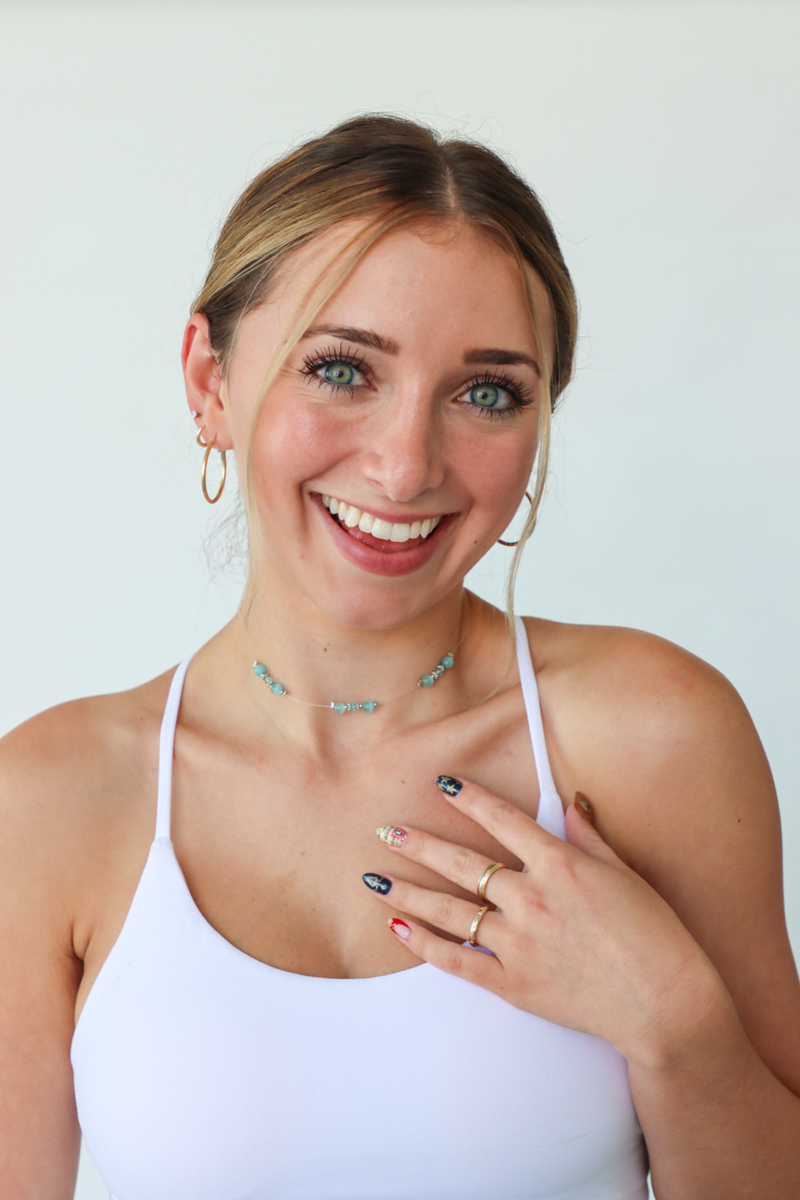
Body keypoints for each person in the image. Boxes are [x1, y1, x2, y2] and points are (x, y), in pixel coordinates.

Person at [1, 113, 799, 1200]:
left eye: (486, 392)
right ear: (211, 379)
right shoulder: (49, 800)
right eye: (341, 369)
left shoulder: (650, 735)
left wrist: (675, 1021)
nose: (403, 461)